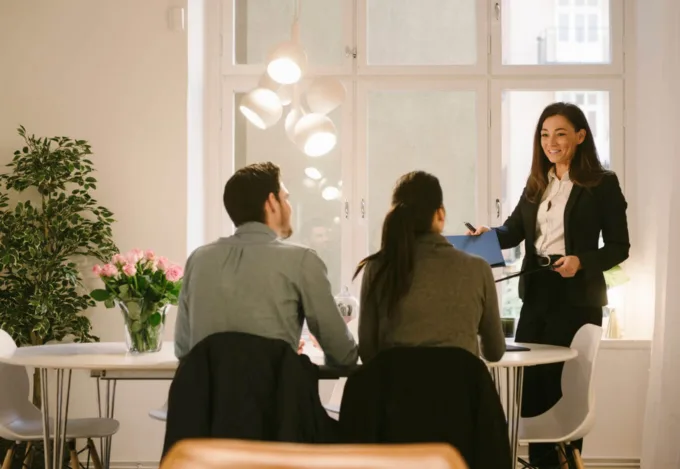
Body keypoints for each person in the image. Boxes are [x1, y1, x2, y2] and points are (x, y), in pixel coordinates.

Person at [469, 102, 630, 467]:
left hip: (577, 296)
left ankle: (564, 461)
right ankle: (543, 462)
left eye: (560, 133)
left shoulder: (602, 183)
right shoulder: (537, 182)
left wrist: (581, 261)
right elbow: (512, 232)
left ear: (580, 135)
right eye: (544, 134)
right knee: (531, 391)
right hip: (537, 292)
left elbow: (620, 247)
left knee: (564, 390)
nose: (551, 141)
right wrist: (486, 234)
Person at [174, 162, 358, 367]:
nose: (289, 207)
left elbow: (183, 349)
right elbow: (344, 356)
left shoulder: (198, 260)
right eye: (285, 198)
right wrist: (280, 356)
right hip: (275, 398)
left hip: (205, 399)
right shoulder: (302, 261)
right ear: (271, 202)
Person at [354, 171, 506, 364]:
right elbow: (495, 352)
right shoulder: (478, 268)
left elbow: (368, 351)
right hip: (460, 391)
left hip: (395, 391)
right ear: (440, 214)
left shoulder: (377, 268)